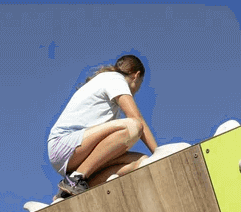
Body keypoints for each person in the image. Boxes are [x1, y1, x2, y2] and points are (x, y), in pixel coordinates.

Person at [47, 55, 160, 198]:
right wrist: (159, 154)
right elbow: (136, 118)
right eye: (140, 83)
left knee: (142, 162)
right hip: (64, 143)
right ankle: (75, 178)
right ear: (136, 76)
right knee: (132, 127)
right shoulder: (115, 78)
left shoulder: (106, 85)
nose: (137, 90)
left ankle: (67, 193)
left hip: (78, 151)